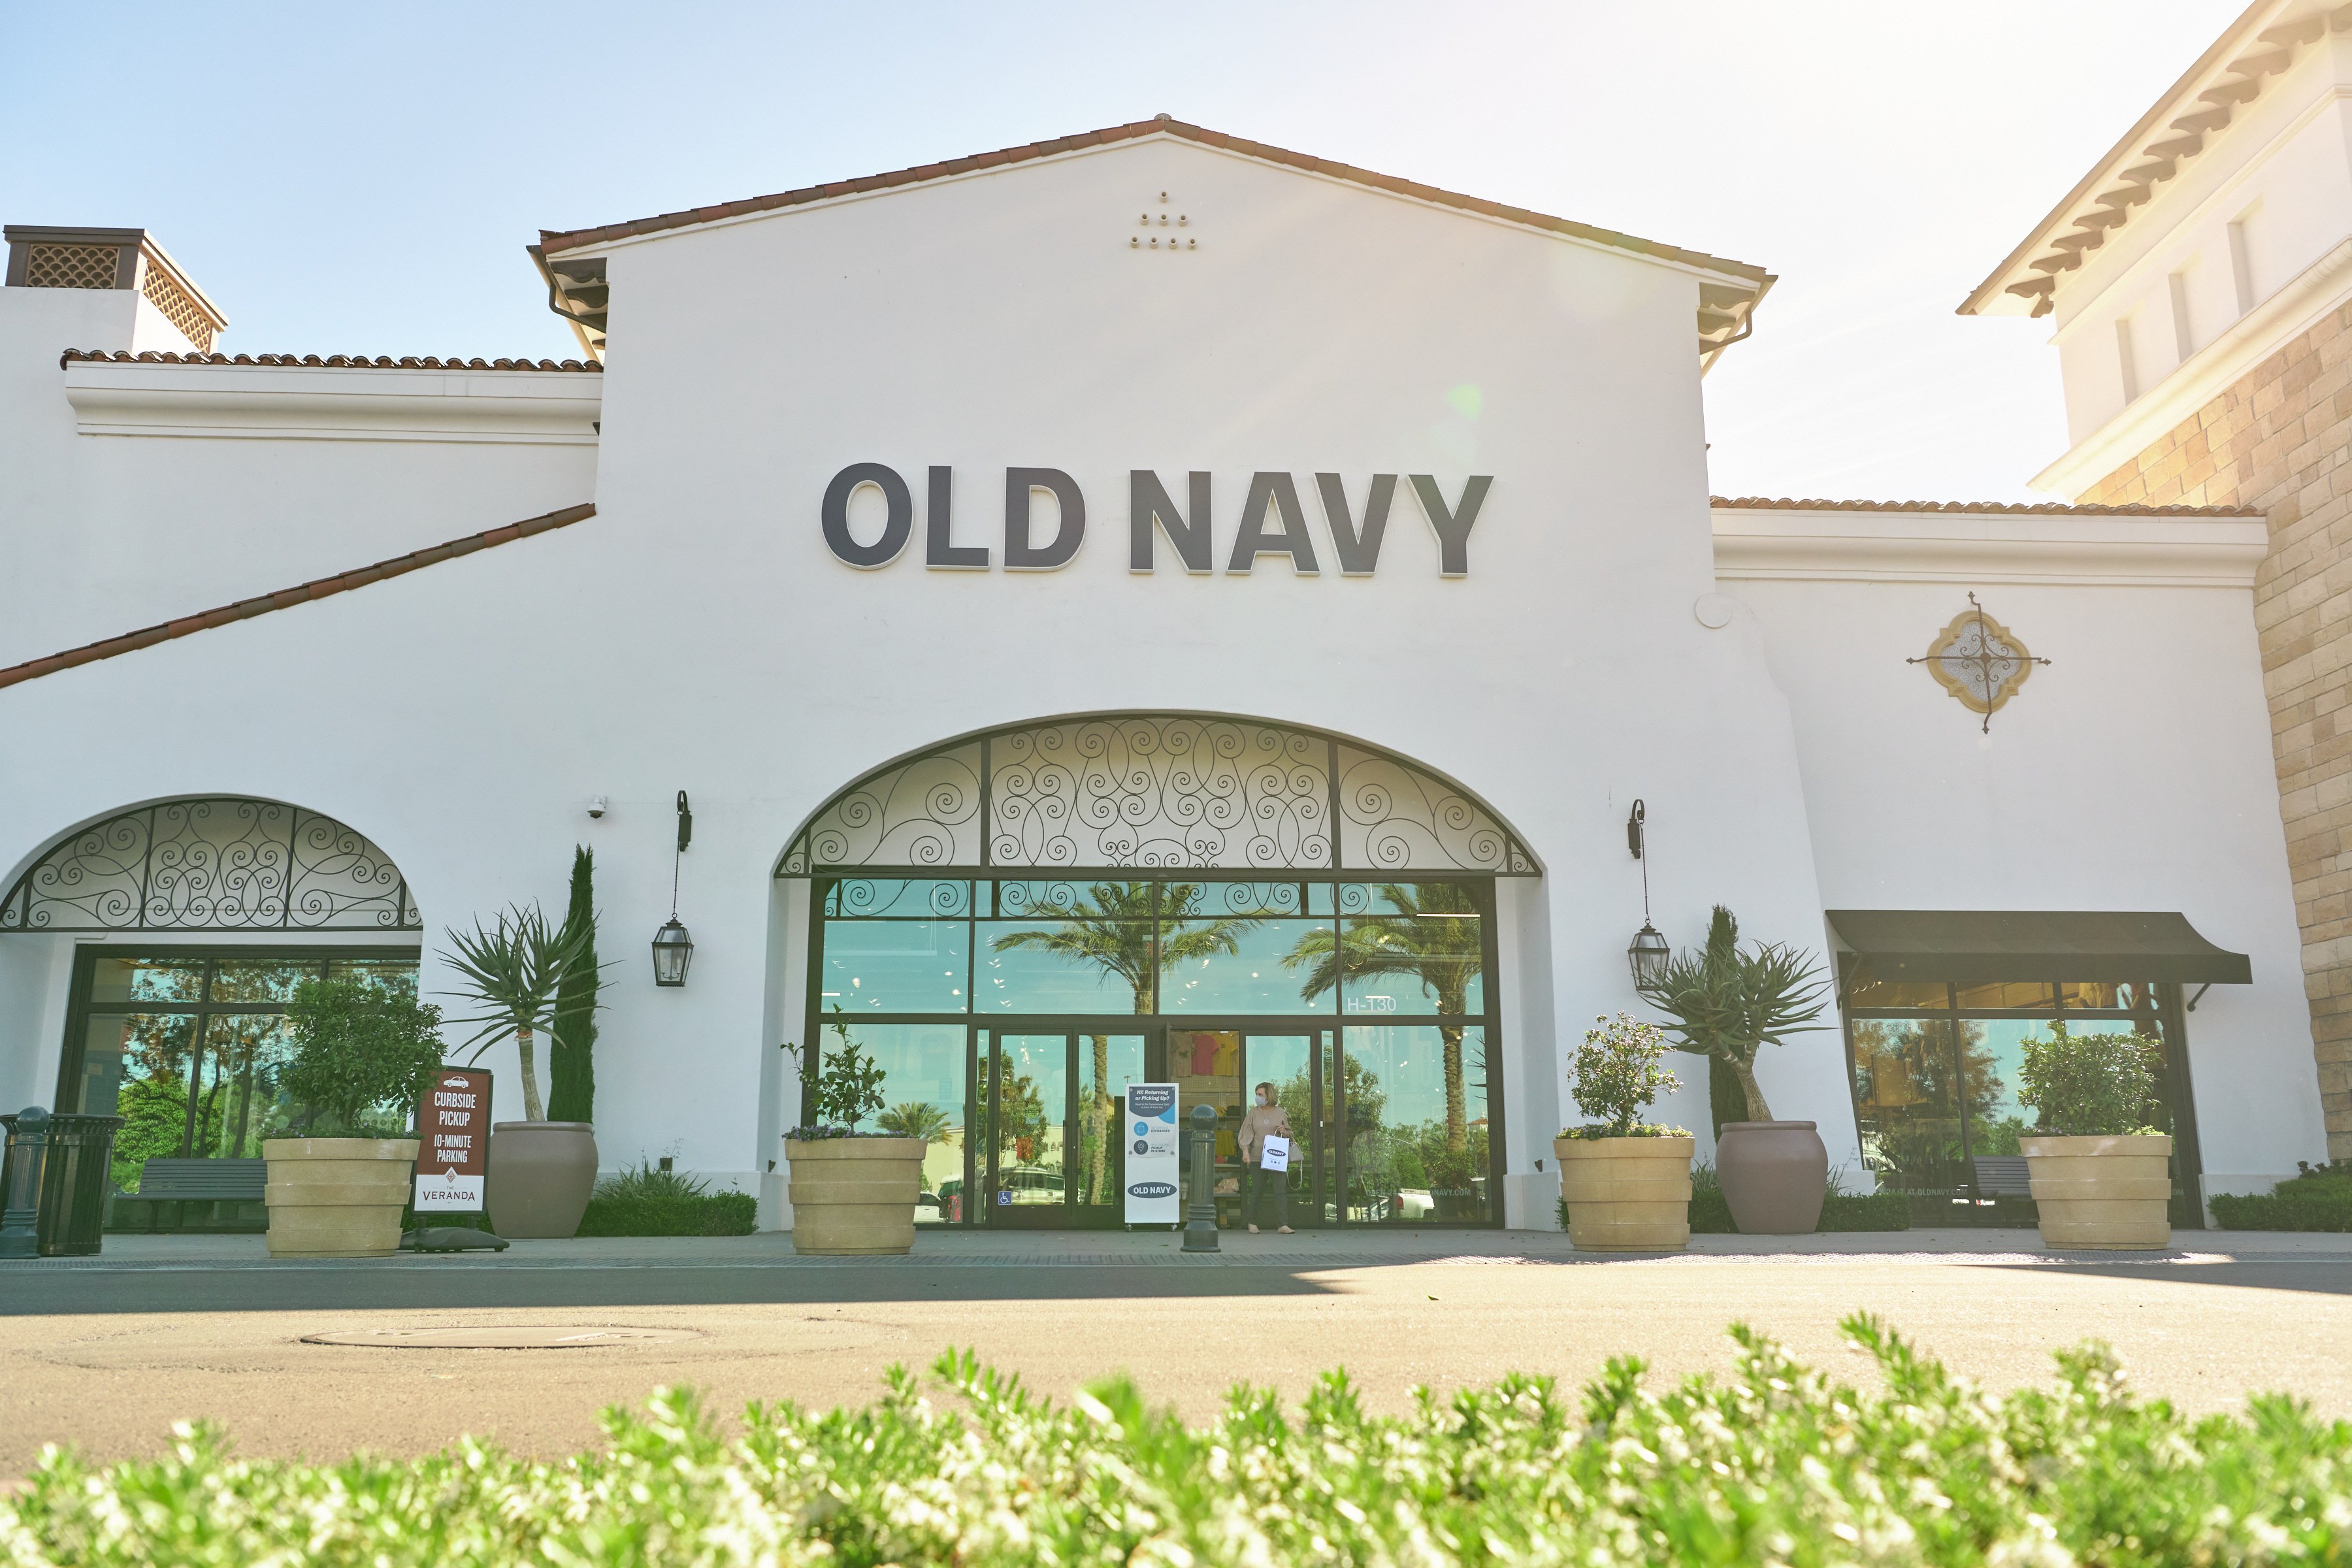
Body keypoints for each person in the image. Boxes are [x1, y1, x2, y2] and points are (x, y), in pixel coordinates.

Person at [1237, 1080, 1293, 1233]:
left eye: (1260, 1094)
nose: (1258, 1097)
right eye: (1257, 1094)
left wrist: (1284, 1131)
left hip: (1277, 1158)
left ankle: (1283, 1225)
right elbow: (1245, 1134)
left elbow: (1290, 1134)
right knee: (1257, 1190)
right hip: (1257, 1157)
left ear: (1269, 1095)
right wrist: (1245, 1152)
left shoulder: (1280, 1112)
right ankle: (1252, 1223)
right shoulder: (1253, 1112)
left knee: (1280, 1190)